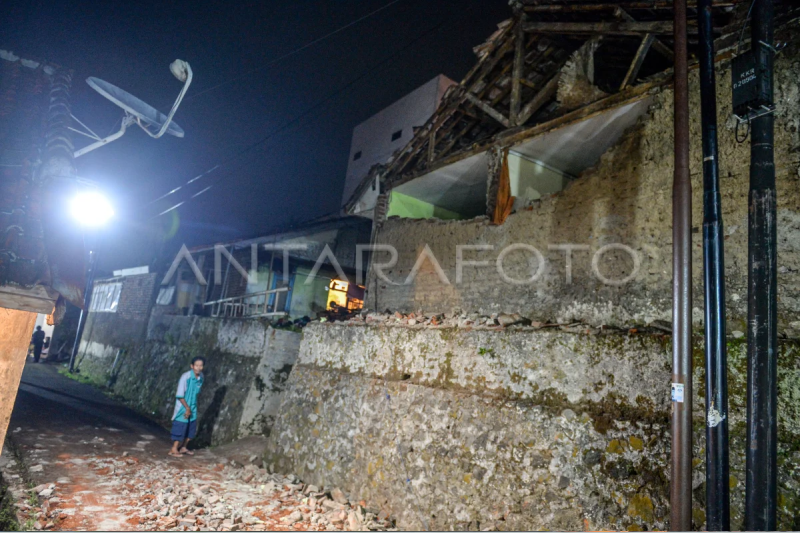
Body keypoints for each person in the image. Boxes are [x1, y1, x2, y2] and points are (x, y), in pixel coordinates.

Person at [168, 356, 205, 457]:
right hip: (183, 406)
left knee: (191, 428)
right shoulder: (186, 377)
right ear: (192, 366)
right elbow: (180, 395)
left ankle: (183, 447)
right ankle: (174, 448)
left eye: (200, 366)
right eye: (196, 365)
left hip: (193, 406)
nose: (198, 368)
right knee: (180, 426)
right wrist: (187, 408)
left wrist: (191, 408)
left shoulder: (201, 377)